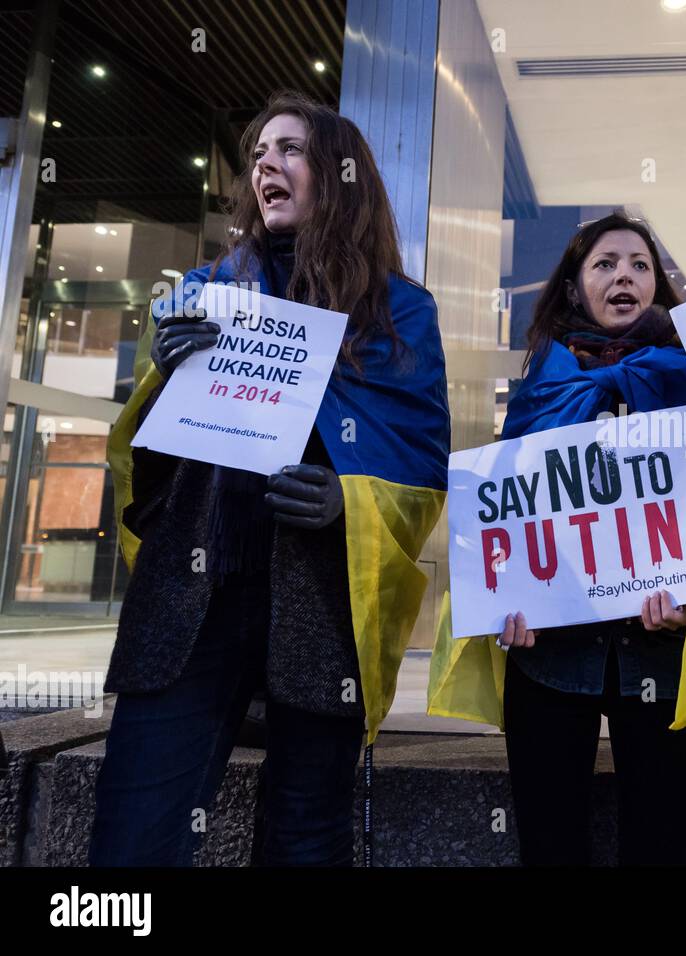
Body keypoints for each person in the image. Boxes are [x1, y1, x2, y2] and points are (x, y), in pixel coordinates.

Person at [91, 91, 450, 866]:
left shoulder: (401, 312)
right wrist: (163, 380)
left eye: (288, 150)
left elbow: (422, 471)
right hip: (189, 604)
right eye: (257, 155)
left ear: (339, 173)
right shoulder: (202, 293)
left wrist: (345, 502)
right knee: (131, 837)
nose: (264, 166)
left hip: (320, 609)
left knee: (306, 840)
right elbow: (148, 480)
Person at [426, 214, 686, 866]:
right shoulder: (542, 385)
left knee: (660, 844)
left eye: (640, 265)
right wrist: (508, 601)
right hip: (551, 662)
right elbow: (509, 513)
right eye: (606, 263)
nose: (625, 275)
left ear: (658, 287)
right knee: (549, 843)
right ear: (575, 287)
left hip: (661, 657)